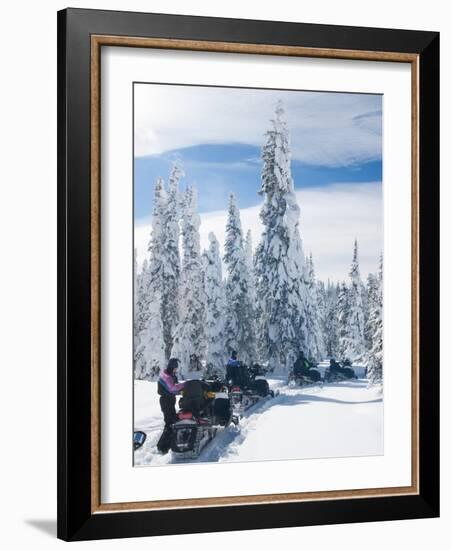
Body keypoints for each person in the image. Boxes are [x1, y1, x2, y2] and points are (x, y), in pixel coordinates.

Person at [156, 358, 185, 454]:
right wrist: (185, 385)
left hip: (169, 401)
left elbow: (174, 387)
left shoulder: (170, 375)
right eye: (175, 368)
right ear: (172, 367)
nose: (176, 370)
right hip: (166, 401)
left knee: (172, 421)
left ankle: (167, 444)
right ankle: (162, 447)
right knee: (169, 424)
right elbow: (172, 389)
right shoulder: (166, 377)